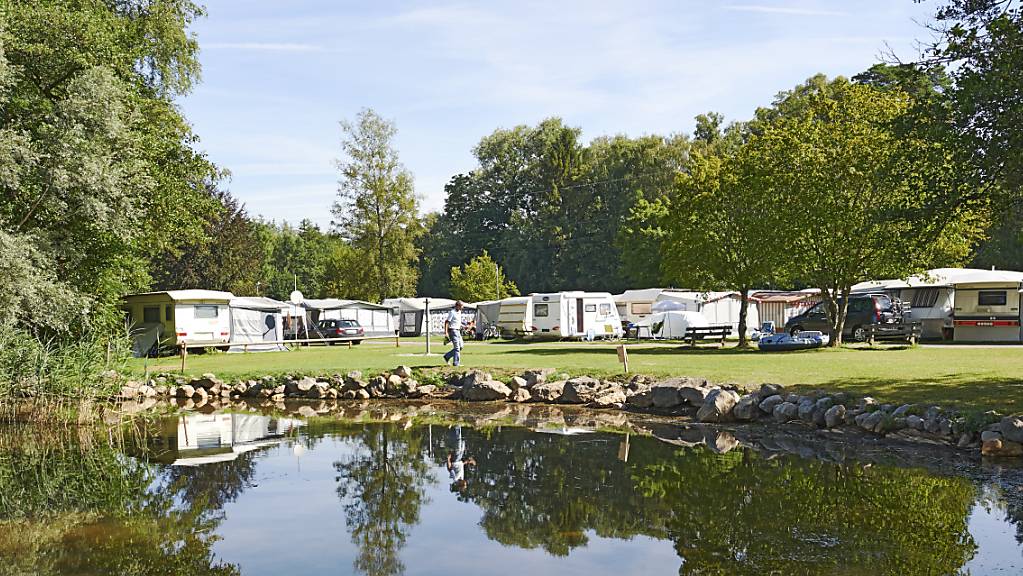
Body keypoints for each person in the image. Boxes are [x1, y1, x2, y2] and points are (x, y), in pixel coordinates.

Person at [443, 301, 464, 366]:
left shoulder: (459, 312)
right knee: (457, 347)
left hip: (458, 331)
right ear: (457, 306)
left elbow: (457, 322)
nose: (462, 307)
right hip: (453, 331)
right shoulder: (452, 312)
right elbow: (447, 322)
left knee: (461, 346)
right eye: (461, 306)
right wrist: (446, 332)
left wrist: (463, 326)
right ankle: (456, 363)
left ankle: (447, 356)